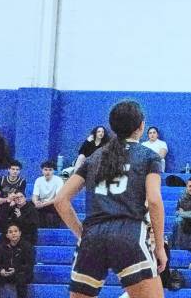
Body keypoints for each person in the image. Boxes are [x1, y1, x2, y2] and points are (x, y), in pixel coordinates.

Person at [54, 100, 167, 298]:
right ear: (141, 126)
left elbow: (60, 200)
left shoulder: (94, 157)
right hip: (128, 234)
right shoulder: (149, 156)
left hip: (92, 236)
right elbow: (155, 201)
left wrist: (82, 233)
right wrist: (159, 247)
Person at [0, 223, 35, 298]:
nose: (13, 233)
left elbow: (29, 265)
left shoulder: (27, 246)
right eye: (10, 232)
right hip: (5, 273)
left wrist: (16, 270)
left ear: (20, 233)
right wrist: (0, 270)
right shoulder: (1, 247)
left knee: (21, 278)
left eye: (15, 231)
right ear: (7, 235)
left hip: (20, 273)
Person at [0, 160, 27, 225]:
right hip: (1, 202)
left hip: (13, 203)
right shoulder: (1, 180)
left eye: (17, 169)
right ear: (8, 169)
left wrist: (10, 200)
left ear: (19, 171)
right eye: (13, 169)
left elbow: (19, 196)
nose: (15, 171)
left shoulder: (22, 181)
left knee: (12, 204)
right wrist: (1, 200)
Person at [32, 160, 64, 227]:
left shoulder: (58, 180)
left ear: (53, 171)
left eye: (50, 170)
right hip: (41, 203)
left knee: (61, 205)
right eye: (45, 170)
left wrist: (43, 204)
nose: (48, 172)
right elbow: (35, 195)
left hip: (53, 203)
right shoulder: (38, 180)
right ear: (42, 171)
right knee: (29, 205)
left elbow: (58, 198)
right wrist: (35, 202)